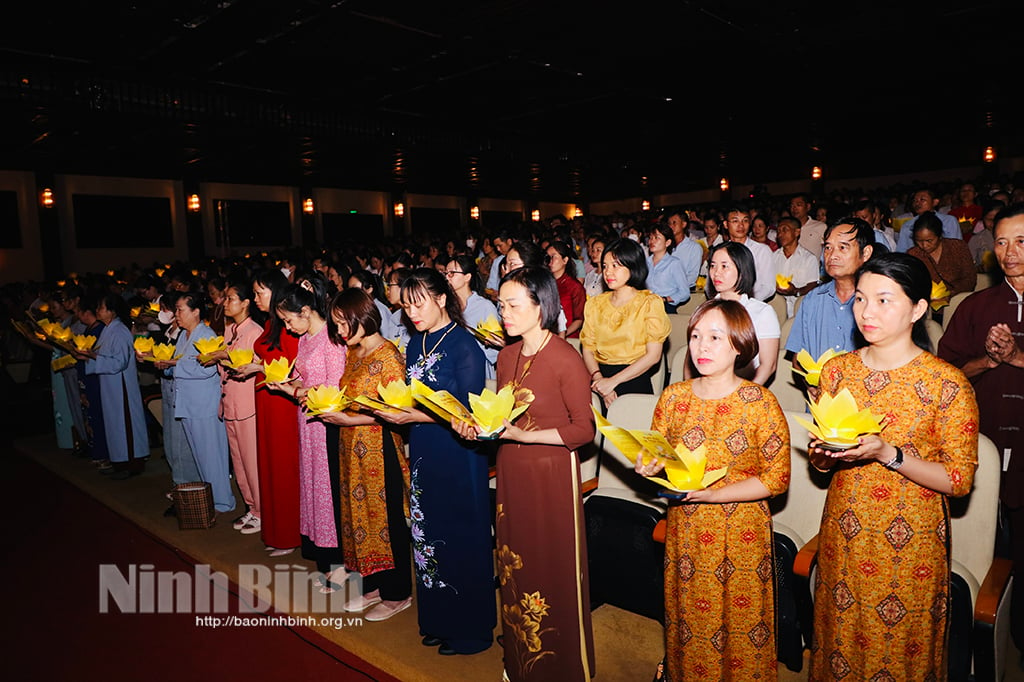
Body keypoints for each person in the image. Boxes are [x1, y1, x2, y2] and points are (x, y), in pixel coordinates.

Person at [807, 253, 978, 681]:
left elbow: (958, 480)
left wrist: (889, 454)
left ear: (918, 308)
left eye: (885, 300)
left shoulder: (947, 384)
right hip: (844, 532)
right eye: (862, 299)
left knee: (901, 654)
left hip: (911, 545)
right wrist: (823, 456)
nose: (867, 312)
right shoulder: (836, 372)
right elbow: (822, 463)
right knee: (838, 643)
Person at [452, 266, 596, 681]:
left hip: (550, 470)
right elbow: (501, 417)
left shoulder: (565, 357)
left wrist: (522, 436)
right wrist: (476, 426)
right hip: (512, 469)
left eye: (514, 305)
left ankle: (563, 667)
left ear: (542, 305)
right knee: (514, 563)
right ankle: (521, 661)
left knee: (553, 567)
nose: (505, 314)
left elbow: (583, 429)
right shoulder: (507, 354)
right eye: (501, 305)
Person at [635, 298, 790, 681]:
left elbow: (777, 479)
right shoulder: (674, 398)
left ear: (739, 344)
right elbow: (661, 460)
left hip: (742, 534)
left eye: (715, 337)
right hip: (687, 531)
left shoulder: (760, 403)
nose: (701, 347)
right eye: (696, 336)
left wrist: (714, 495)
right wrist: (649, 467)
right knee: (689, 618)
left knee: (742, 622)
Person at [375, 268, 494, 655]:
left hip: (459, 450)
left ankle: (470, 630)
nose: (412, 312)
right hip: (425, 445)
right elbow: (415, 396)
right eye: (406, 305)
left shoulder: (464, 345)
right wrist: (399, 410)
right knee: (427, 533)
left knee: (461, 533)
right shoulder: (415, 343)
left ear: (442, 298)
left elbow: (469, 410)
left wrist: (412, 416)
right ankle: (439, 619)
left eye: (419, 302)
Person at [938, 203, 1024, 651]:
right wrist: (988, 360)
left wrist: (1015, 358)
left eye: (1021, 241)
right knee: (980, 546)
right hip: (983, 440)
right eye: (1002, 241)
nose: (1010, 252)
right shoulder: (976, 306)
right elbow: (946, 373)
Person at [320, 289, 412, 622]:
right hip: (350, 445)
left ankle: (397, 592)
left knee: (385, 520)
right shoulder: (354, 352)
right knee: (356, 517)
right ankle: (372, 585)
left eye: (345, 323)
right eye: (337, 325)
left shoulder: (387, 356)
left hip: (378, 447)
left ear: (363, 317)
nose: (341, 331)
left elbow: (397, 409)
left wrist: (349, 418)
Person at [267, 279, 347, 584]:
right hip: (308, 423)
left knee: (328, 492)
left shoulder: (331, 338)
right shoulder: (305, 338)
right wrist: (290, 384)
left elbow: (334, 389)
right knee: (314, 488)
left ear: (305, 311)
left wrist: (294, 392)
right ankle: (325, 561)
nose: (287, 328)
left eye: (288, 320)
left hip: (326, 424)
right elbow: (303, 378)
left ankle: (338, 563)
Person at [157, 291, 234, 512]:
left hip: (204, 405)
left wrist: (172, 365)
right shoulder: (184, 335)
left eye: (181, 310)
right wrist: (168, 366)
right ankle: (209, 497)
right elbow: (181, 364)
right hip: (189, 403)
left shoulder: (205, 335)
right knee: (199, 455)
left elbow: (206, 369)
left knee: (212, 456)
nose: (177, 315)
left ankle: (222, 501)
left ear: (196, 311)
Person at [580, 238, 671, 408]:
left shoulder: (649, 303)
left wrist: (612, 382)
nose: (608, 272)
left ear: (632, 266)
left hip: (634, 377)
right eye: (605, 266)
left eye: (615, 265)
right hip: (598, 378)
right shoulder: (594, 304)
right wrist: (600, 381)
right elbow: (587, 349)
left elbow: (653, 356)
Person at [204, 278, 264, 535]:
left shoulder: (255, 332)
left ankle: (262, 510)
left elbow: (255, 367)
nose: (225, 303)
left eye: (230, 299)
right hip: (230, 402)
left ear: (246, 303)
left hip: (247, 405)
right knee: (238, 461)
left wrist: (223, 357)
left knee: (251, 462)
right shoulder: (230, 330)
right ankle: (252, 507)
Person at [785, 217, 875, 362]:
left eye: (842, 247)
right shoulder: (812, 299)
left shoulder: (879, 302)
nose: (832, 256)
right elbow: (798, 357)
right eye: (828, 248)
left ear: (865, 253)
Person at [688, 241, 779, 385]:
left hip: (745, 388)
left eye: (724, 266)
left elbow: (768, 366)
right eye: (712, 266)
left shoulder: (762, 312)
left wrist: (743, 397)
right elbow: (690, 360)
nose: (716, 272)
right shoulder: (705, 310)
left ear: (742, 269)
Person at [81, 293, 151, 479]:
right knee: (114, 423)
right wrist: (89, 356)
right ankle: (119, 460)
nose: (98, 311)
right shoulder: (108, 329)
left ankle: (131, 462)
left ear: (111, 311)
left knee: (124, 422)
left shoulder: (119, 331)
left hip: (121, 387)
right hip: (111, 384)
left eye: (101, 308)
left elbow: (119, 361)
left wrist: (93, 357)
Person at [445, 254, 500, 376]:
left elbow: (496, 349)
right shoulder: (446, 306)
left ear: (467, 277)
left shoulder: (484, 307)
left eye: (452, 273)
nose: (447, 277)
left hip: (478, 370)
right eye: (446, 273)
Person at [906, 211, 977, 296]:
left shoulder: (958, 247)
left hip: (959, 298)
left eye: (929, 241)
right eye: (919, 241)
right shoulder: (913, 254)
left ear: (939, 236)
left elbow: (970, 279)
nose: (924, 245)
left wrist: (950, 293)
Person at [722, 205, 775, 301]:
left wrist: (746, 302)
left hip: (751, 305)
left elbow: (769, 287)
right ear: (726, 224)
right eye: (735, 221)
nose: (741, 225)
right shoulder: (721, 252)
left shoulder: (762, 250)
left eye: (745, 221)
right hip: (725, 305)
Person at [772, 217, 820, 318]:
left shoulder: (808, 258)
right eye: (778, 231)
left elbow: (812, 284)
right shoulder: (773, 257)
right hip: (776, 311)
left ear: (797, 232)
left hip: (799, 312)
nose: (780, 234)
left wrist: (795, 291)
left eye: (785, 230)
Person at [895, 187, 964, 253]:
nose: (917, 203)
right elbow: (902, 250)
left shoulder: (949, 221)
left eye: (922, 200)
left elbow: (956, 247)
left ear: (935, 202)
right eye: (915, 201)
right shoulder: (908, 225)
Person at [645, 224, 692, 313]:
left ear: (667, 243)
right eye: (651, 238)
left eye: (657, 238)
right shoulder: (645, 263)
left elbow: (685, 292)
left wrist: (666, 299)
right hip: (647, 306)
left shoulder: (674, 263)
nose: (652, 241)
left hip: (666, 307)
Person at [546, 240, 587, 334]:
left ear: (565, 260)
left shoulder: (574, 286)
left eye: (553, 256)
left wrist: (561, 335)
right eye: (548, 257)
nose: (550, 261)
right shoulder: (546, 284)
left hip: (568, 337)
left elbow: (579, 319)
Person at [348, 270, 399, 342]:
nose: (352, 294)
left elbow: (386, 339)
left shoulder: (380, 310)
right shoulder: (358, 309)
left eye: (356, 290)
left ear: (369, 289)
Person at [790, 193, 828, 257]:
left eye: (798, 205)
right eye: (792, 206)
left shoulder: (820, 227)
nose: (794, 208)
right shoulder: (788, 229)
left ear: (808, 207)